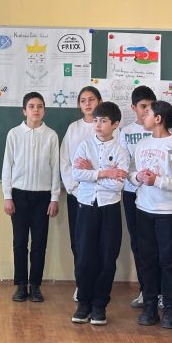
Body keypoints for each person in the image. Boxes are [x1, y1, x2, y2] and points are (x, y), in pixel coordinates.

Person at [129, 101, 172, 330]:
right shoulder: (142, 144)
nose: (143, 116)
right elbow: (131, 173)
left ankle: (170, 309)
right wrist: (138, 177)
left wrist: (158, 181)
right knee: (147, 260)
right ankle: (149, 305)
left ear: (158, 119)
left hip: (169, 212)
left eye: (147, 113)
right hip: (143, 209)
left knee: (168, 262)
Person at [70, 101, 129, 326]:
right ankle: (83, 303)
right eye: (95, 120)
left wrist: (92, 173)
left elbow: (118, 185)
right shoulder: (84, 146)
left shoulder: (120, 151)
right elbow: (77, 174)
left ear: (115, 124)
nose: (97, 124)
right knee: (85, 257)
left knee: (107, 259)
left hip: (110, 209)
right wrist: (104, 173)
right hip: (86, 207)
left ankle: (99, 305)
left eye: (103, 121)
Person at [1, 92, 60, 302]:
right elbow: (7, 166)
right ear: (24, 111)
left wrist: (54, 198)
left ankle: (35, 285)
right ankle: (20, 285)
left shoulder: (51, 135)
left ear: (44, 110)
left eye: (40, 106)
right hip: (19, 195)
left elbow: (55, 168)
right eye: (32, 106)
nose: (36, 110)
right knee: (19, 243)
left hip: (43, 196)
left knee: (39, 243)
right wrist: (7, 196)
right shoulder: (14, 134)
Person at [59, 85, 102, 302]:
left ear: (99, 102)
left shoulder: (108, 128)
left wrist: (96, 178)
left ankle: (98, 286)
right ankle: (81, 284)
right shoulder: (73, 128)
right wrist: (74, 188)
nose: (87, 104)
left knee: (99, 242)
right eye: (83, 100)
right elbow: (65, 161)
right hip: (77, 194)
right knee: (79, 241)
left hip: (102, 195)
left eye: (91, 99)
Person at [118, 85, 156, 309]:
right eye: (143, 106)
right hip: (132, 193)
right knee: (139, 243)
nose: (147, 110)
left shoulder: (161, 128)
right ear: (133, 108)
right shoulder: (125, 132)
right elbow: (123, 163)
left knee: (155, 243)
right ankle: (145, 289)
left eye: (151, 106)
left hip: (155, 194)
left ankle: (159, 291)